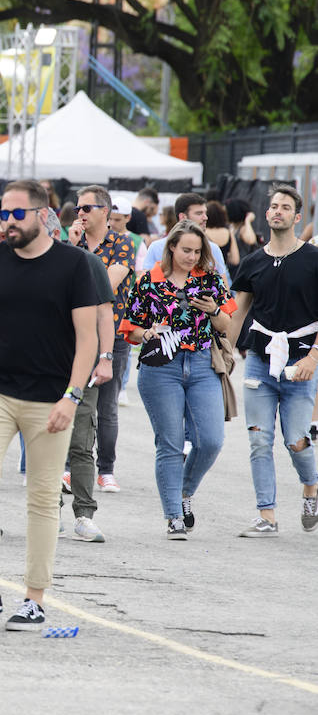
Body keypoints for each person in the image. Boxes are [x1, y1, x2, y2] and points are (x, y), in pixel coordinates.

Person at [0, 180, 98, 631]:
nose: (7, 223)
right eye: (3, 215)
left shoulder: (73, 265)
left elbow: (87, 338)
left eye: (16, 215)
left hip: (51, 397)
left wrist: (73, 395)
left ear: (42, 214)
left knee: (44, 498)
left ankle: (34, 598)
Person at [120, 220, 235, 539]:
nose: (192, 256)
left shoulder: (210, 278)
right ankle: (173, 515)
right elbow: (129, 328)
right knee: (169, 443)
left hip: (201, 364)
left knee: (210, 440)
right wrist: (147, 332)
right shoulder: (149, 281)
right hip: (161, 366)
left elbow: (226, 324)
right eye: (186, 250)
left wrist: (213, 310)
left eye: (198, 252)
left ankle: (184, 492)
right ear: (171, 247)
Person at [227, 184, 318, 537]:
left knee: (296, 439)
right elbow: (237, 313)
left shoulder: (312, 259)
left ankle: (311, 486)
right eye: (273, 206)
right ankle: (267, 515)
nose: (278, 211)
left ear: (297, 217)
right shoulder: (253, 263)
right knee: (258, 438)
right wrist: (224, 353)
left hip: (300, 363)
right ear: (267, 214)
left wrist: (313, 356)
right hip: (260, 361)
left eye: (285, 207)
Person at [66, 184, 136, 493]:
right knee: (73, 398)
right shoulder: (73, 245)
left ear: (104, 211)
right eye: (77, 209)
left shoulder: (122, 243)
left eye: (86, 208)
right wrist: (74, 247)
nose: (80, 214)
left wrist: (81, 261)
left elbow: (107, 283)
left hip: (113, 335)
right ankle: (69, 465)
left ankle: (105, 468)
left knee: (106, 407)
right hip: (75, 334)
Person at [137, 193, 230, 284]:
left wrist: (213, 300)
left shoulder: (212, 249)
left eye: (197, 251)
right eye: (199, 213)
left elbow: (225, 292)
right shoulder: (157, 247)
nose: (205, 217)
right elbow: (144, 285)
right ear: (183, 217)